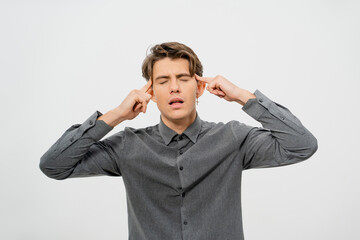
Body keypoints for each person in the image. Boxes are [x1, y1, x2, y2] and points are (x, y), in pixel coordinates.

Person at [40, 41, 318, 240]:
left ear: (198, 88)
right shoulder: (128, 146)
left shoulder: (233, 138)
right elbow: (54, 165)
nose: (174, 87)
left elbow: (302, 145)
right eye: (163, 81)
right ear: (151, 92)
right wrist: (115, 115)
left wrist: (242, 96)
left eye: (182, 78)